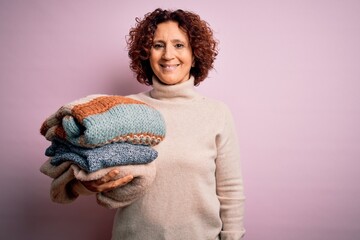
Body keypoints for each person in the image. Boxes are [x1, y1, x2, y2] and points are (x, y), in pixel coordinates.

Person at [64, 8, 245, 239]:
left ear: (195, 54)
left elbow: (230, 192)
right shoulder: (124, 109)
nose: (168, 55)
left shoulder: (217, 113)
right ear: (146, 54)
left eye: (179, 45)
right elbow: (83, 173)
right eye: (158, 45)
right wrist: (86, 186)